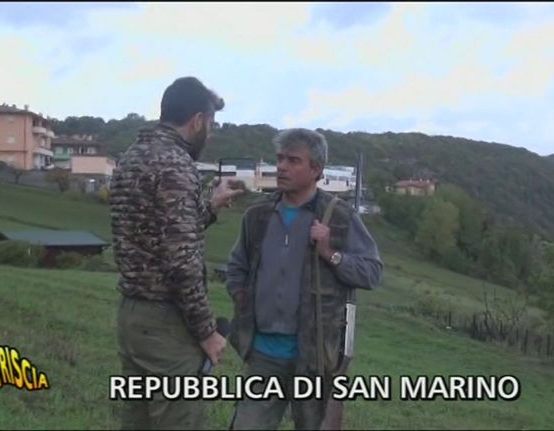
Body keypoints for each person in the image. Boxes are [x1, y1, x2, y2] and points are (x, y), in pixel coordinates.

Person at [110, 76, 244, 430]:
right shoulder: (176, 165)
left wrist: (210, 206)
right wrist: (207, 331)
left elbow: (157, 232)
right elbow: (181, 261)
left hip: (132, 316)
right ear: (197, 120)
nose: (209, 134)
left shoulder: (131, 157)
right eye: (210, 124)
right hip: (166, 324)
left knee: (137, 422)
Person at [225, 128, 383, 430]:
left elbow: (373, 273)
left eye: (293, 160)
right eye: (279, 158)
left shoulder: (340, 217)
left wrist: (330, 253)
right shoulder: (258, 215)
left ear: (316, 170)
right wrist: (242, 299)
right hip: (263, 355)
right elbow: (236, 266)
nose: (282, 167)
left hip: (315, 360)